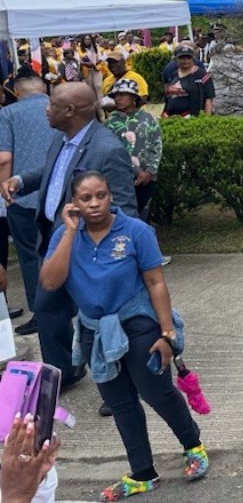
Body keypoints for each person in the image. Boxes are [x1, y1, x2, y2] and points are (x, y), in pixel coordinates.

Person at [40, 170, 208, 500]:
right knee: (119, 403)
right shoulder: (65, 235)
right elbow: (49, 282)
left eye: (100, 195)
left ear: (110, 196)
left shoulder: (135, 232)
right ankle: (143, 472)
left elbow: (155, 282)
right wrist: (71, 233)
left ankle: (194, 446)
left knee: (155, 392)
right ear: (74, 202)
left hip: (138, 323)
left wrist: (168, 334)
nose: (94, 203)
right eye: (85, 198)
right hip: (95, 330)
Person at [0, 82, 139, 387]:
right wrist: (21, 180)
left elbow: (126, 207)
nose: (45, 110)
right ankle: (63, 374)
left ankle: (120, 385)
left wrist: (113, 254)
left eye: (51, 105)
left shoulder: (107, 149)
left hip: (90, 249)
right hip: (57, 243)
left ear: (70, 111)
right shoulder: (62, 140)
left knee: (103, 318)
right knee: (48, 310)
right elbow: (53, 174)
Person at [0, 74, 58, 336]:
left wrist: (5, 192)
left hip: (22, 197)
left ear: (15, 91)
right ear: (44, 88)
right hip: (59, 194)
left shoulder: (9, 114)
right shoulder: (60, 106)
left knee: (30, 256)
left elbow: (4, 158)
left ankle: (42, 312)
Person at [104, 79, 163, 222]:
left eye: (122, 94)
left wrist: (149, 171)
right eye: (115, 95)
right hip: (121, 180)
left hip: (147, 179)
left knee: (143, 216)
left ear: (133, 98)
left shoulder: (148, 119)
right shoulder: (110, 123)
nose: (118, 98)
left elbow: (156, 144)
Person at [161, 46, 214, 117]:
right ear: (176, 59)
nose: (185, 60)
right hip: (171, 118)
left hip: (192, 119)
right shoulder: (174, 74)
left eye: (188, 57)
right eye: (182, 58)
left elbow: (209, 99)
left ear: (193, 59)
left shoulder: (202, 75)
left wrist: (207, 120)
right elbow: (167, 96)